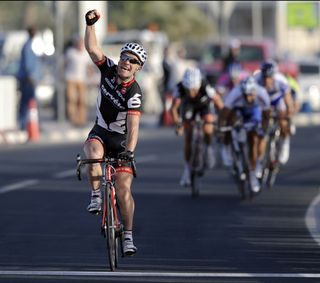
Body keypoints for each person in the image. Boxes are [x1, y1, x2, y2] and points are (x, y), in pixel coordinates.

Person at [83, 9, 147, 256]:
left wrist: (129, 153)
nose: (125, 62)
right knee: (91, 152)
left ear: (137, 68)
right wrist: (89, 25)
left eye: (132, 61)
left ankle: (128, 236)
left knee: (123, 190)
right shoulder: (108, 69)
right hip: (101, 130)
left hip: (121, 142)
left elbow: (133, 128)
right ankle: (96, 194)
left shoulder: (134, 93)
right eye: (124, 57)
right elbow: (92, 49)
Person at [170, 67, 224, 186]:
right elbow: (173, 109)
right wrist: (178, 124)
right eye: (188, 89)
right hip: (188, 106)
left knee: (208, 123)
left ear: (199, 84)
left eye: (194, 89)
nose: (191, 93)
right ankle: (187, 169)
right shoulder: (179, 88)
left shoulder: (205, 86)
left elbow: (219, 103)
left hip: (204, 106)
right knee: (188, 135)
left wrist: (222, 120)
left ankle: (209, 148)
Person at [218, 76, 271, 193]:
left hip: (254, 112)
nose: (248, 98)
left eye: (251, 95)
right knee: (230, 124)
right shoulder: (235, 94)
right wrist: (223, 132)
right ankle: (229, 147)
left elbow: (267, 116)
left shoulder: (262, 94)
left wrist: (263, 130)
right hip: (238, 111)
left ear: (255, 93)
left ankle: (252, 174)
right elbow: (223, 116)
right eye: (245, 95)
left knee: (254, 139)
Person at [254, 60, 294, 165]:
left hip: (277, 100)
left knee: (283, 121)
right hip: (263, 101)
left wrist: (289, 112)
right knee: (261, 129)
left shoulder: (281, 81)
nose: (267, 80)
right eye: (265, 77)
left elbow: (288, 99)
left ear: (274, 76)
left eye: (270, 77)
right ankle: (260, 159)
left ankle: (285, 141)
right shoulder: (256, 80)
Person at [16, 26, 42, 130]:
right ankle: (23, 124)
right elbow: (28, 64)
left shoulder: (32, 44)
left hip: (30, 78)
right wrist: (31, 75)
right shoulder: (28, 46)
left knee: (31, 103)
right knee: (27, 102)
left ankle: (33, 125)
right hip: (28, 79)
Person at [64, 34, 91, 127]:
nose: (80, 45)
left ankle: (82, 119)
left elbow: (88, 66)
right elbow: (64, 64)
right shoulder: (70, 52)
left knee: (82, 100)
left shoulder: (85, 54)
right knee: (72, 100)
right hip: (71, 78)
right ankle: (73, 119)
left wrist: (91, 74)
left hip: (82, 79)